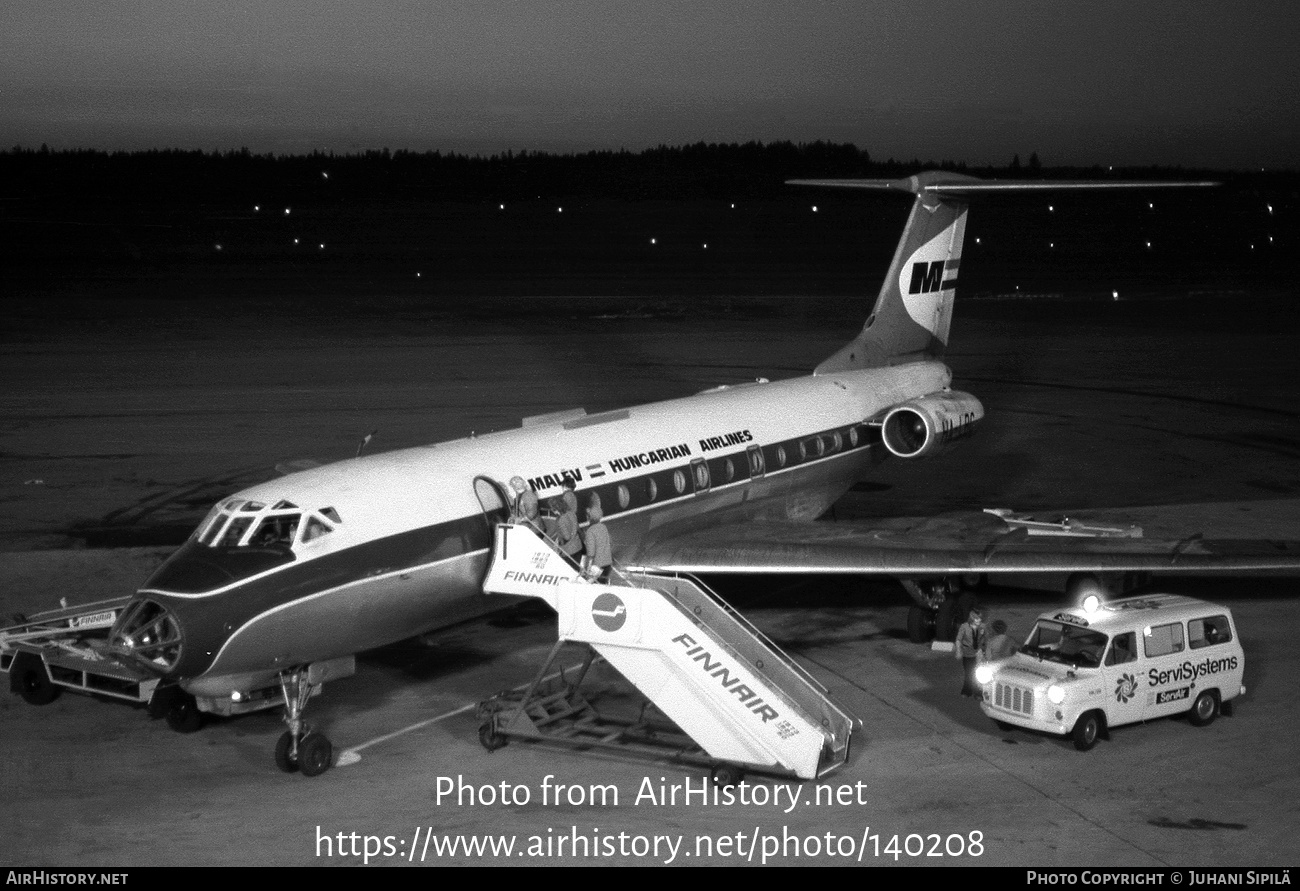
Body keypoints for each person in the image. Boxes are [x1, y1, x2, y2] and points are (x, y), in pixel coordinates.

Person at [954, 608, 987, 697]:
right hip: (967, 653)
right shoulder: (964, 627)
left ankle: (978, 692)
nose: (979, 620)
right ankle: (967, 690)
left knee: (978, 673)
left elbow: (986, 639)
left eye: (980, 618)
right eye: (977, 618)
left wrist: (985, 651)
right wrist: (958, 651)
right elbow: (958, 639)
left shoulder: (983, 626)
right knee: (969, 673)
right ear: (972, 618)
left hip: (978, 653)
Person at [582, 503, 612, 583]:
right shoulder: (603, 527)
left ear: (589, 517)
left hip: (597, 566)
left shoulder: (590, 531)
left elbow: (591, 554)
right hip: (608, 564)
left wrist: (586, 569)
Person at [553, 494, 583, 565]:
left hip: (568, 551)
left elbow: (567, 537)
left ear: (555, 509)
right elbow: (576, 527)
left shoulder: (560, 520)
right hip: (578, 545)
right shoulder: (571, 513)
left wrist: (559, 544)